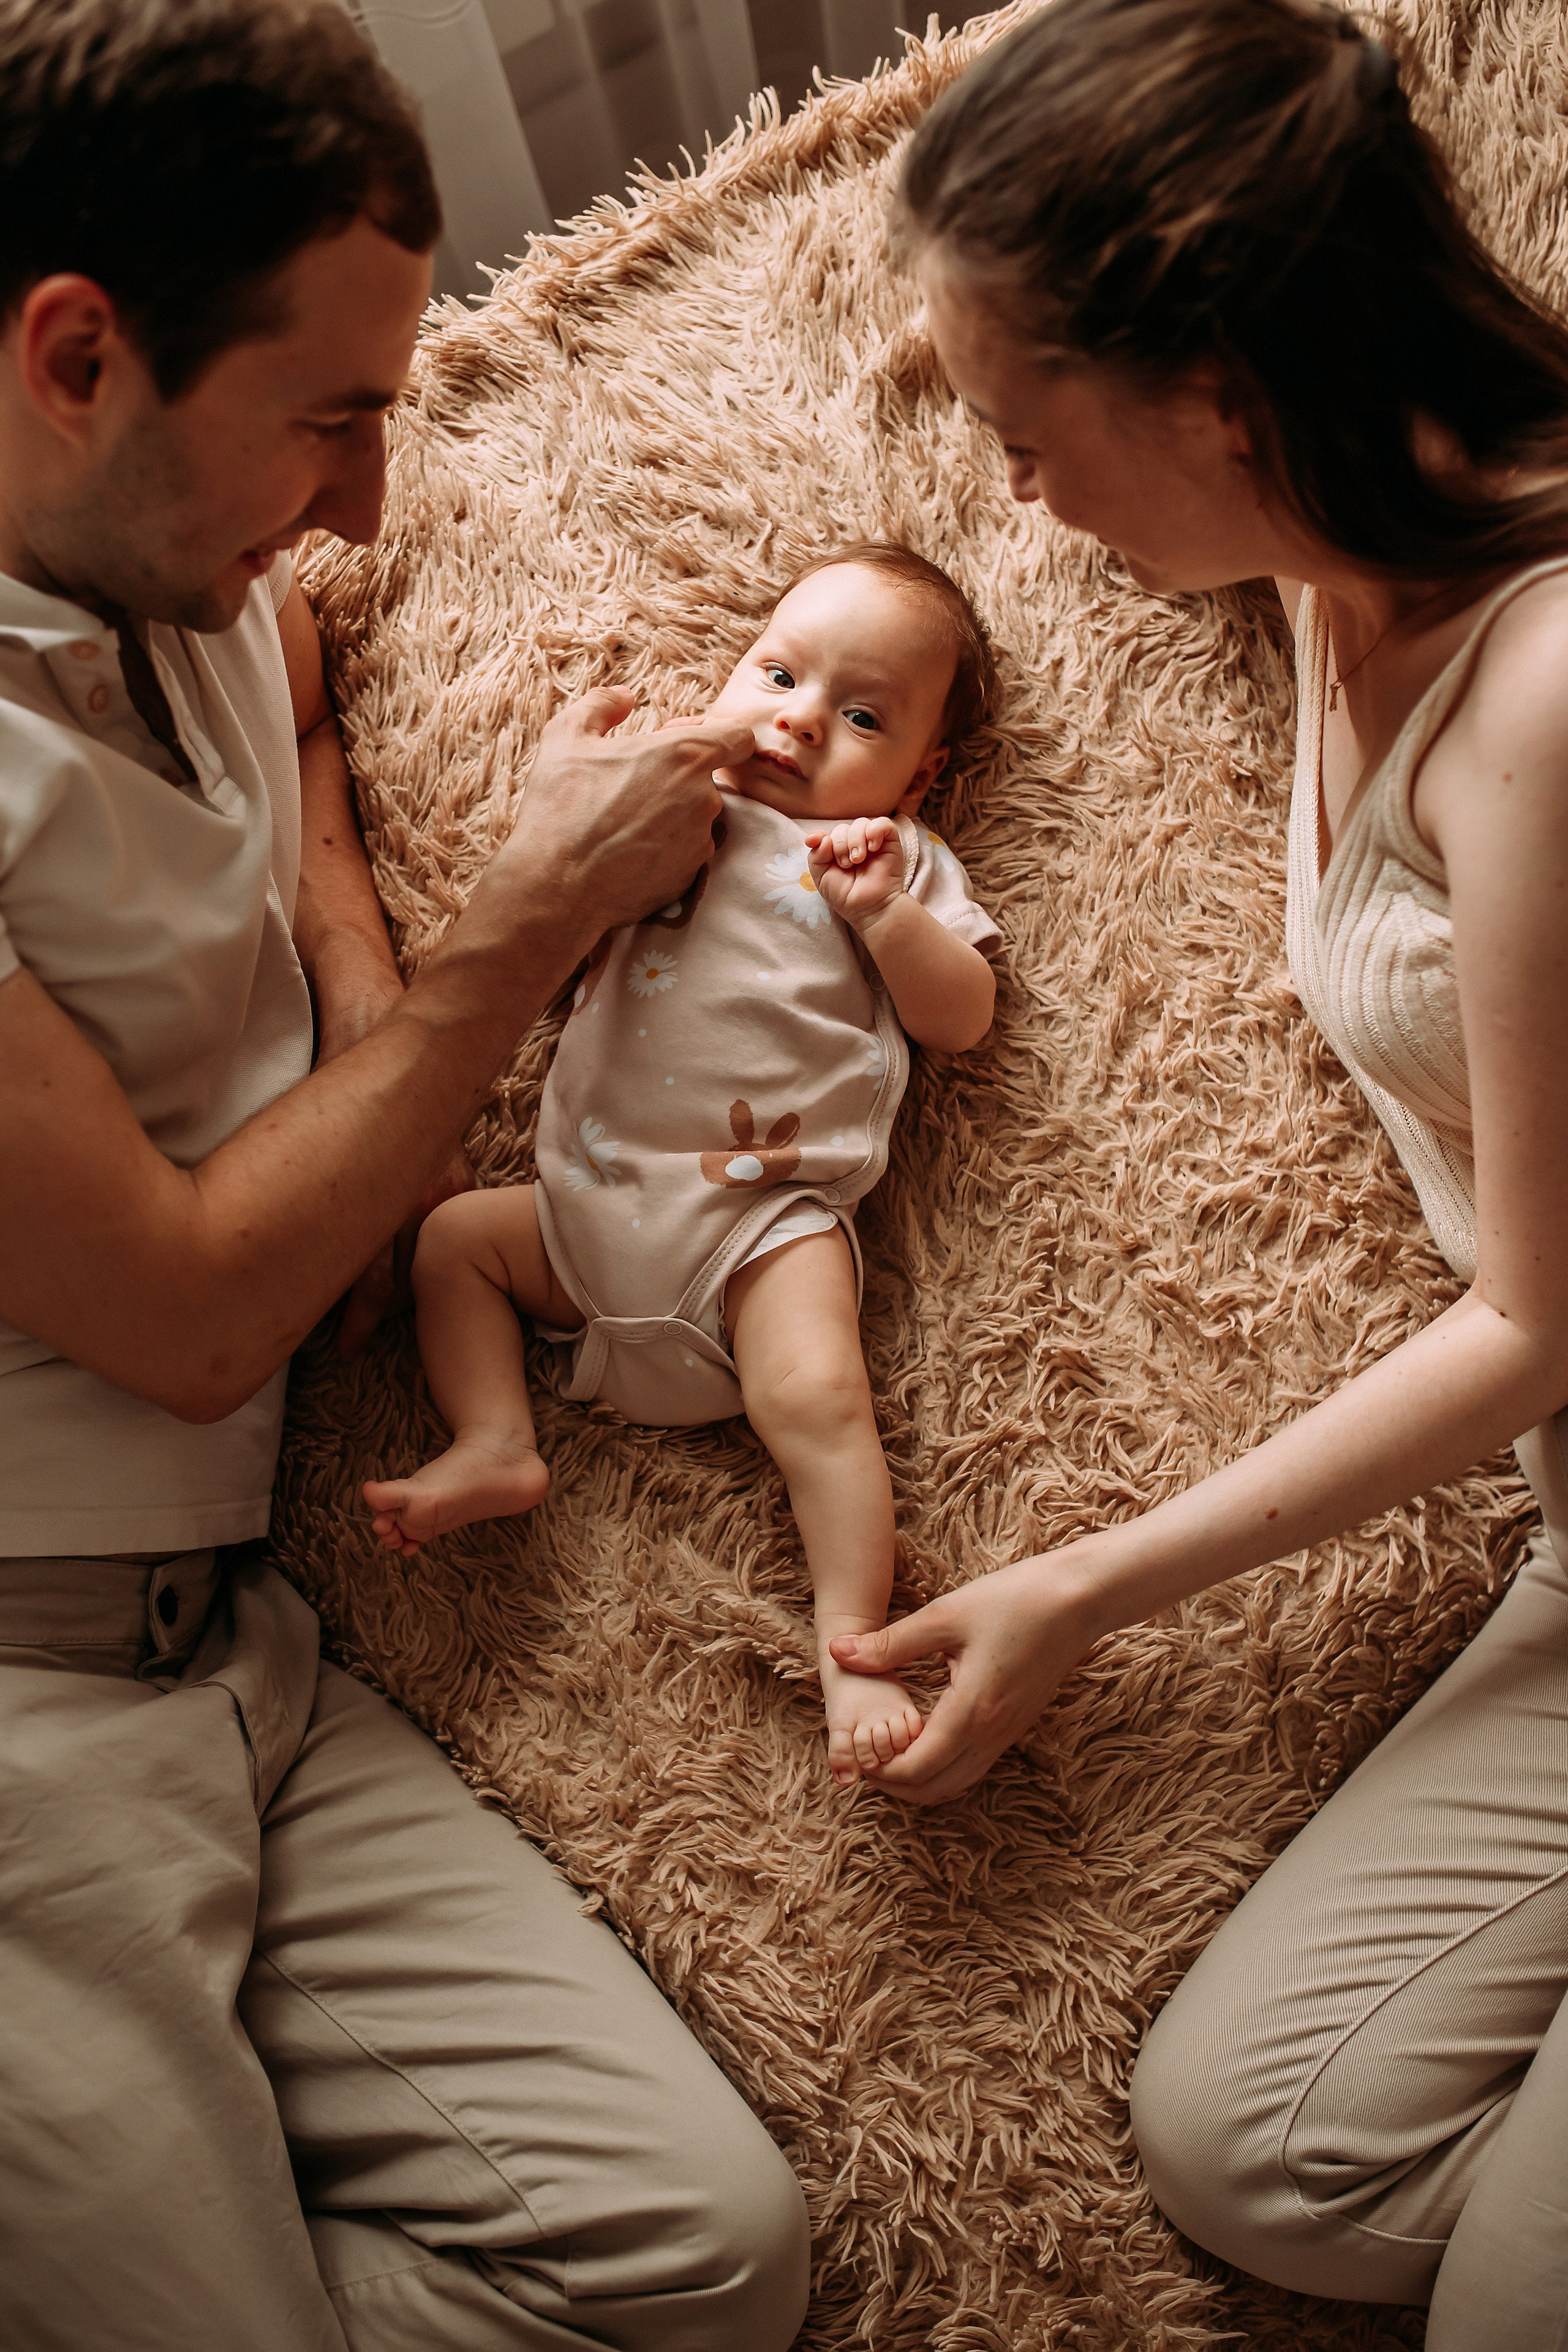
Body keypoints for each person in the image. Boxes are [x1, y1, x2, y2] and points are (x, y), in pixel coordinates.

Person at [0, 2, 810, 2345]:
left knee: (707, 2256)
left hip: (233, 1664)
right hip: (23, 1717)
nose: (374, 492)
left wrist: (365, 994)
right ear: (77, 353)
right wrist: (523, 929)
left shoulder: (188, 566)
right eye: (334, 414)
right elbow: (185, 1311)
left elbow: (307, 745)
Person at [824, 1, 1568, 2343]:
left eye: (1034, 438)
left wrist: (1078, 1594)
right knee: (1266, 2153)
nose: (1015, 504)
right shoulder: (1321, 571)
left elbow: (1549, 1310)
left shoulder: (1543, 698)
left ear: (1221, 392)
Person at [363, 544, 1000, 1785]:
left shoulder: (893, 860)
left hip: (759, 1225)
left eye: (859, 714)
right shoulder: (674, 816)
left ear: (917, 774)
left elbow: (962, 1015)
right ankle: (495, 1438)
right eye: (775, 672)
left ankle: (845, 1640)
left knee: (818, 1401)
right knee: (452, 1243)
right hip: (584, 1210)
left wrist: (881, 917)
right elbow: (549, 924)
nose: (797, 718)